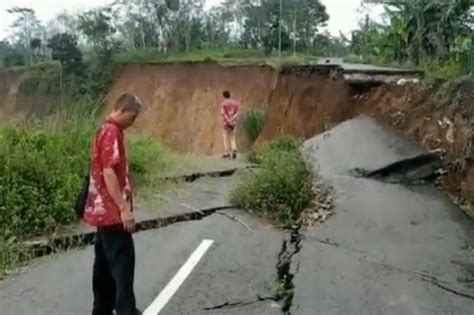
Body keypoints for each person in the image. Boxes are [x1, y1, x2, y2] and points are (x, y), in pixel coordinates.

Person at [83, 92, 143, 315]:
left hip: (102, 213)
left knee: (104, 265)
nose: (133, 121)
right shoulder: (111, 132)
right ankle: (126, 310)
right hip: (111, 213)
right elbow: (109, 172)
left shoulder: (103, 129)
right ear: (123, 110)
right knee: (123, 265)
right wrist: (123, 209)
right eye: (133, 116)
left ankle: (101, 309)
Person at [220, 90, 240, 159]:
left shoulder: (223, 103)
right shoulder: (235, 103)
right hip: (233, 124)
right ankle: (234, 149)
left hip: (226, 124)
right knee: (232, 137)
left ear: (224, 96)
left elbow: (223, 114)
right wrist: (232, 120)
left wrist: (228, 120)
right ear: (229, 95)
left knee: (225, 138)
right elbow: (237, 113)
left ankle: (227, 153)